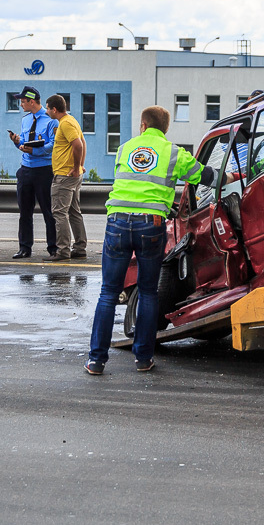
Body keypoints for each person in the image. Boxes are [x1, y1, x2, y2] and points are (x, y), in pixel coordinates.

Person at [85, 105, 216, 375]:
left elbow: (134, 182)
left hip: (117, 223)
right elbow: (206, 177)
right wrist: (229, 176)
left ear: (142, 125)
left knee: (108, 292)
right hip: (151, 226)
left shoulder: (124, 149)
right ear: (166, 129)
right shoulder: (174, 153)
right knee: (147, 291)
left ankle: (96, 361)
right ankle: (143, 359)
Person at [8, 86, 57, 259]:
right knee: (24, 212)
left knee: (48, 211)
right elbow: (24, 142)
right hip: (26, 169)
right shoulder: (26, 119)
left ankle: (53, 248)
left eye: (23, 101)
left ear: (31, 101)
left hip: (44, 170)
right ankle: (24, 248)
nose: (21, 104)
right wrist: (17, 142)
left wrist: (34, 151)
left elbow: (52, 145)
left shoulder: (51, 120)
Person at [44, 94, 86, 262]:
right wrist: (80, 166)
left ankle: (62, 251)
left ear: (54, 109)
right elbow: (83, 142)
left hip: (64, 175)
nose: (47, 112)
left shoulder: (65, 123)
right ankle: (80, 247)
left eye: (47, 108)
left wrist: (76, 168)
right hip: (73, 175)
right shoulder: (72, 120)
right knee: (74, 212)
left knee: (59, 213)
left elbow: (78, 145)